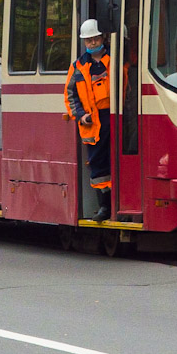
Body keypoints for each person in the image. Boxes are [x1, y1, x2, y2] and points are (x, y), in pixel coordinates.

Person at [65, 19, 112, 222]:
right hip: (92, 123)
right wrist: (81, 115)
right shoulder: (78, 67)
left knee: (118, 160)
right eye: (88, 40)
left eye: (95, 39)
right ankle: (105, 206)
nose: (92, 43)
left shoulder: (115, 59)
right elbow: (70, 95)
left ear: (102, 38)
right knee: (98, 164)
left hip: (115, 117)